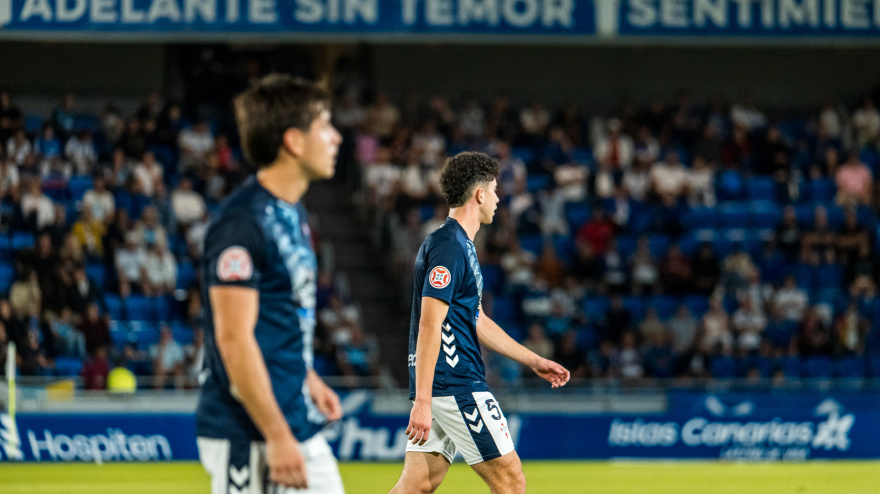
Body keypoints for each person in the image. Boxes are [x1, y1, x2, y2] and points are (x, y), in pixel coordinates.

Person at [195, 75, 344, 494]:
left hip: (293, 416)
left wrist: (309, 377)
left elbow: (279, 318)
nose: (336, 138)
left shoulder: (292, 214)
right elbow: (234, 339)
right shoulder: (242, 223)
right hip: (249, 433)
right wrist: (277, 436)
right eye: (325, 126)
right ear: (294, 141)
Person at [390, 152, 570, 494]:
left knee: (417, 485)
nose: (499, 199)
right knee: (511, 480)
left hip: (442, 385)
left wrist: (533, 360)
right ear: (480, 194)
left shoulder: (460, 245)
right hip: (454, 383)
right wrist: (423, 401)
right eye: (495, 190)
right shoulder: (449, 247)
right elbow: (430, 324)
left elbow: (476, 320)